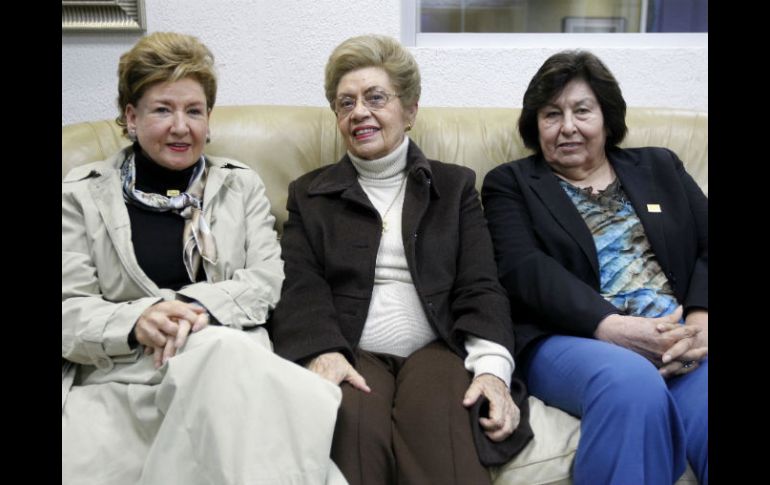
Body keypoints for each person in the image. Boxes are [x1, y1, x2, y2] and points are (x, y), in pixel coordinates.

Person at [62, 32, 346, 485]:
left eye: (194, 111)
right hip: (124, 378)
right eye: (162, 109)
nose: (181, 126)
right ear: (131, 117)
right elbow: (68, 310)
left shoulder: (240, 185)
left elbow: (269, 278)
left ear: (209, 120)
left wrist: (198, 309)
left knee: (223, 351)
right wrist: (138, 320)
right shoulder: (79, 194)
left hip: (225, 365)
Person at [269, 34, 533, 485]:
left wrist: (492, 370)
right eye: (345, 103)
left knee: (443, 440)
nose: (359, 113)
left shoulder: (454, 188)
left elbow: (480, 284)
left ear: (409, 111)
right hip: (351, 350)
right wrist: (323, 353)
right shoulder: (310, 194)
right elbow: (300, 285)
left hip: (437, 349)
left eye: (376, 98)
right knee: (352, 439)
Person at [482, 50, 708, 485]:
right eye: (552, 114)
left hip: (679, 338)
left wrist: (700, 319)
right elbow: (522, 268)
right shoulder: (510, 183)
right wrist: (608, 325)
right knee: (631, 383)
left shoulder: (660, 165)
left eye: (581, 110)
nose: (567, 126)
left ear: (606, 117)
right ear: (536, 125)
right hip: (572, 339)